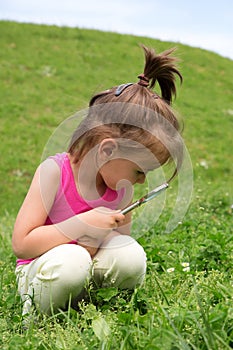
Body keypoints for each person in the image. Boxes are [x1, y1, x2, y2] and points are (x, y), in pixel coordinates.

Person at [12, 44, 183, 316]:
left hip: (85, 267)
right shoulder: (54, 172)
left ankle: (100, 306)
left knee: (130, 255)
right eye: (139, 171)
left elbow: (115, 245)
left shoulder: (119, 186)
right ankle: (40, 315)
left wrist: (110, 231)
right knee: (72, 260)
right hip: (41, 270)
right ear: (107, 150)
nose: (140, 182)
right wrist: (81, 225)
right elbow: (22, 244)